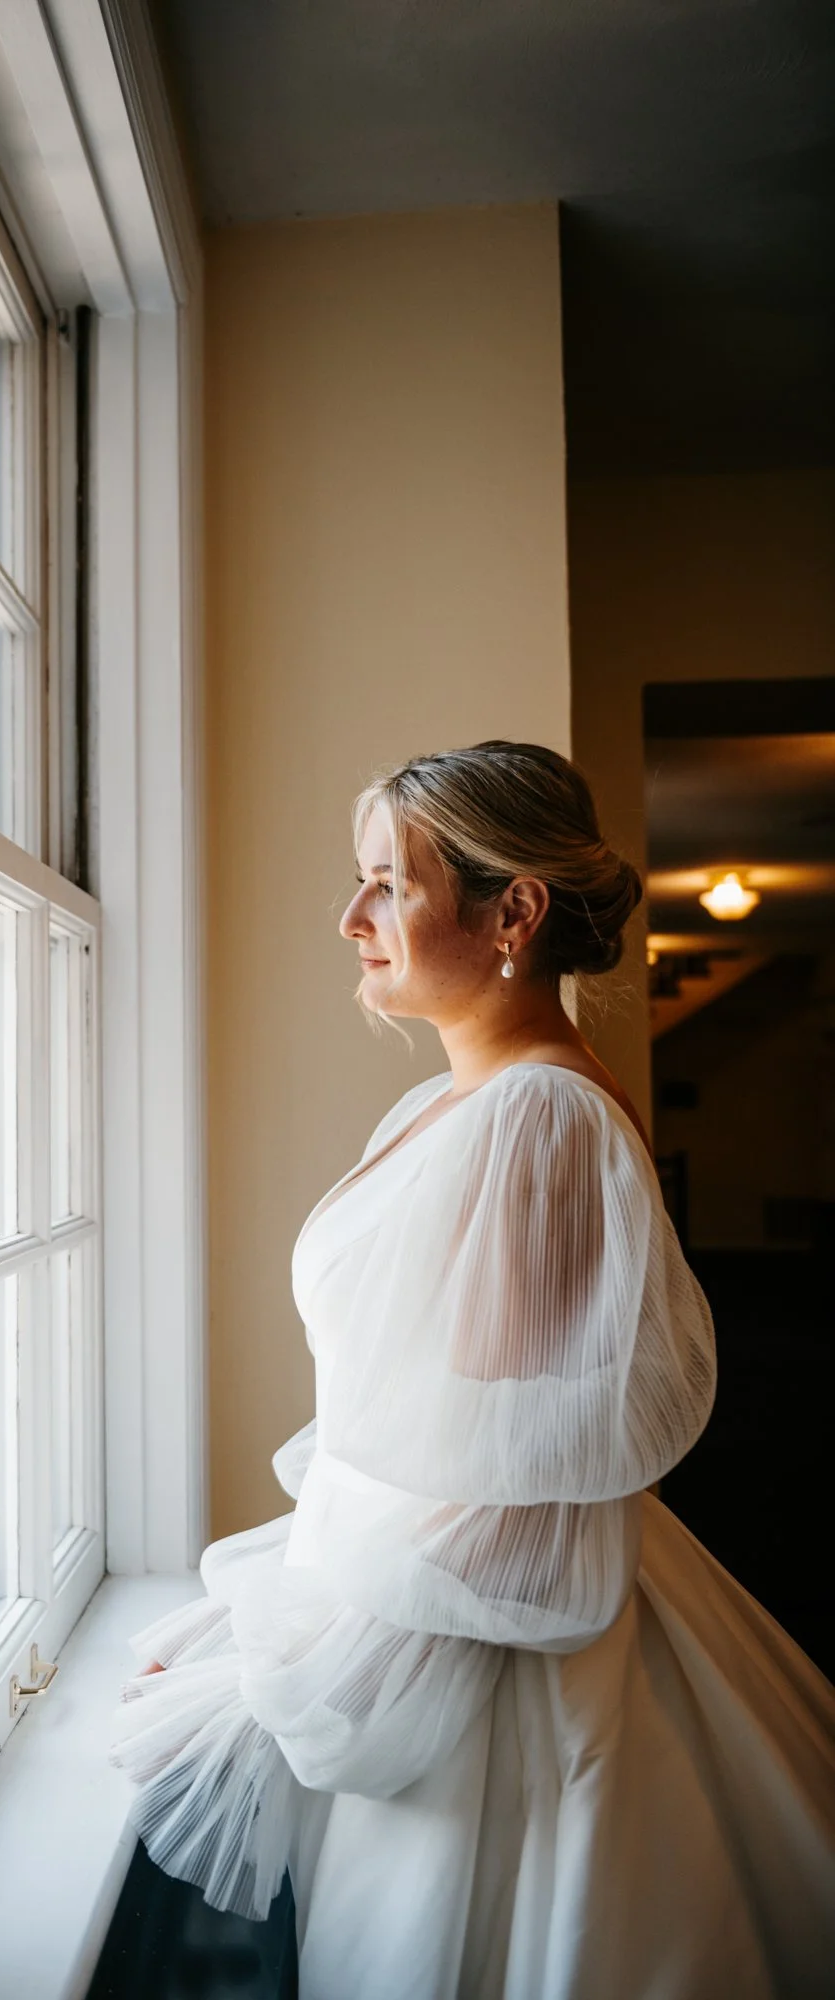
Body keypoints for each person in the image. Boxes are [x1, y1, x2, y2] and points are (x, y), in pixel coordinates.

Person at [110, 741, 835, 1999]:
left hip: (494, 1671)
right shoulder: (456, 1106)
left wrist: (298, 1668)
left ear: (514, 910)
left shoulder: (535, 1118)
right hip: (424, 1599)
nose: (351, 919)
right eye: (359, 880)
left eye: (388, 883)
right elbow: (428, 1436)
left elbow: (507, 1508)